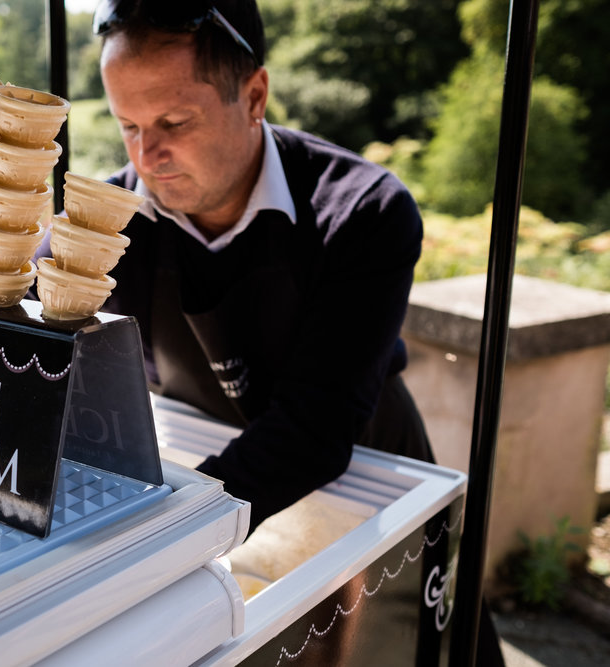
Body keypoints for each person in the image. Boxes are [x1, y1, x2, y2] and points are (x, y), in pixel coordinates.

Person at [39, 0, 435, 535]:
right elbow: (26, 363)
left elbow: (313, 429)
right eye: (128, 126)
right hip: (206, 476)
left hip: (370, 495)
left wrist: (162, 534)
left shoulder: (363, 212)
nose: (146, 157)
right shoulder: (102, 227)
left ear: (253, 96)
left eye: (173, 123)